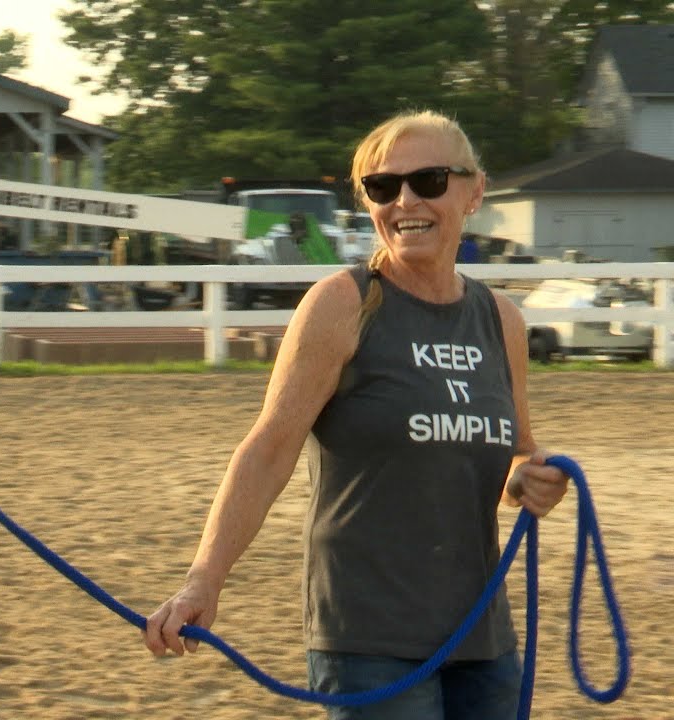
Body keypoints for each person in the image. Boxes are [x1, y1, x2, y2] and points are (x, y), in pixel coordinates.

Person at [143, 110, 570, 720]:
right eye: (381, 187)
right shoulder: (342, 305)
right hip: (368, 640)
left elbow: (517, 453)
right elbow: (269, 447)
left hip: (481, 635)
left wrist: (531, 476)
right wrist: (202, 580)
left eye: (428, 181)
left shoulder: (500, 320)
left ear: (474, 191)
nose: (404, 202)